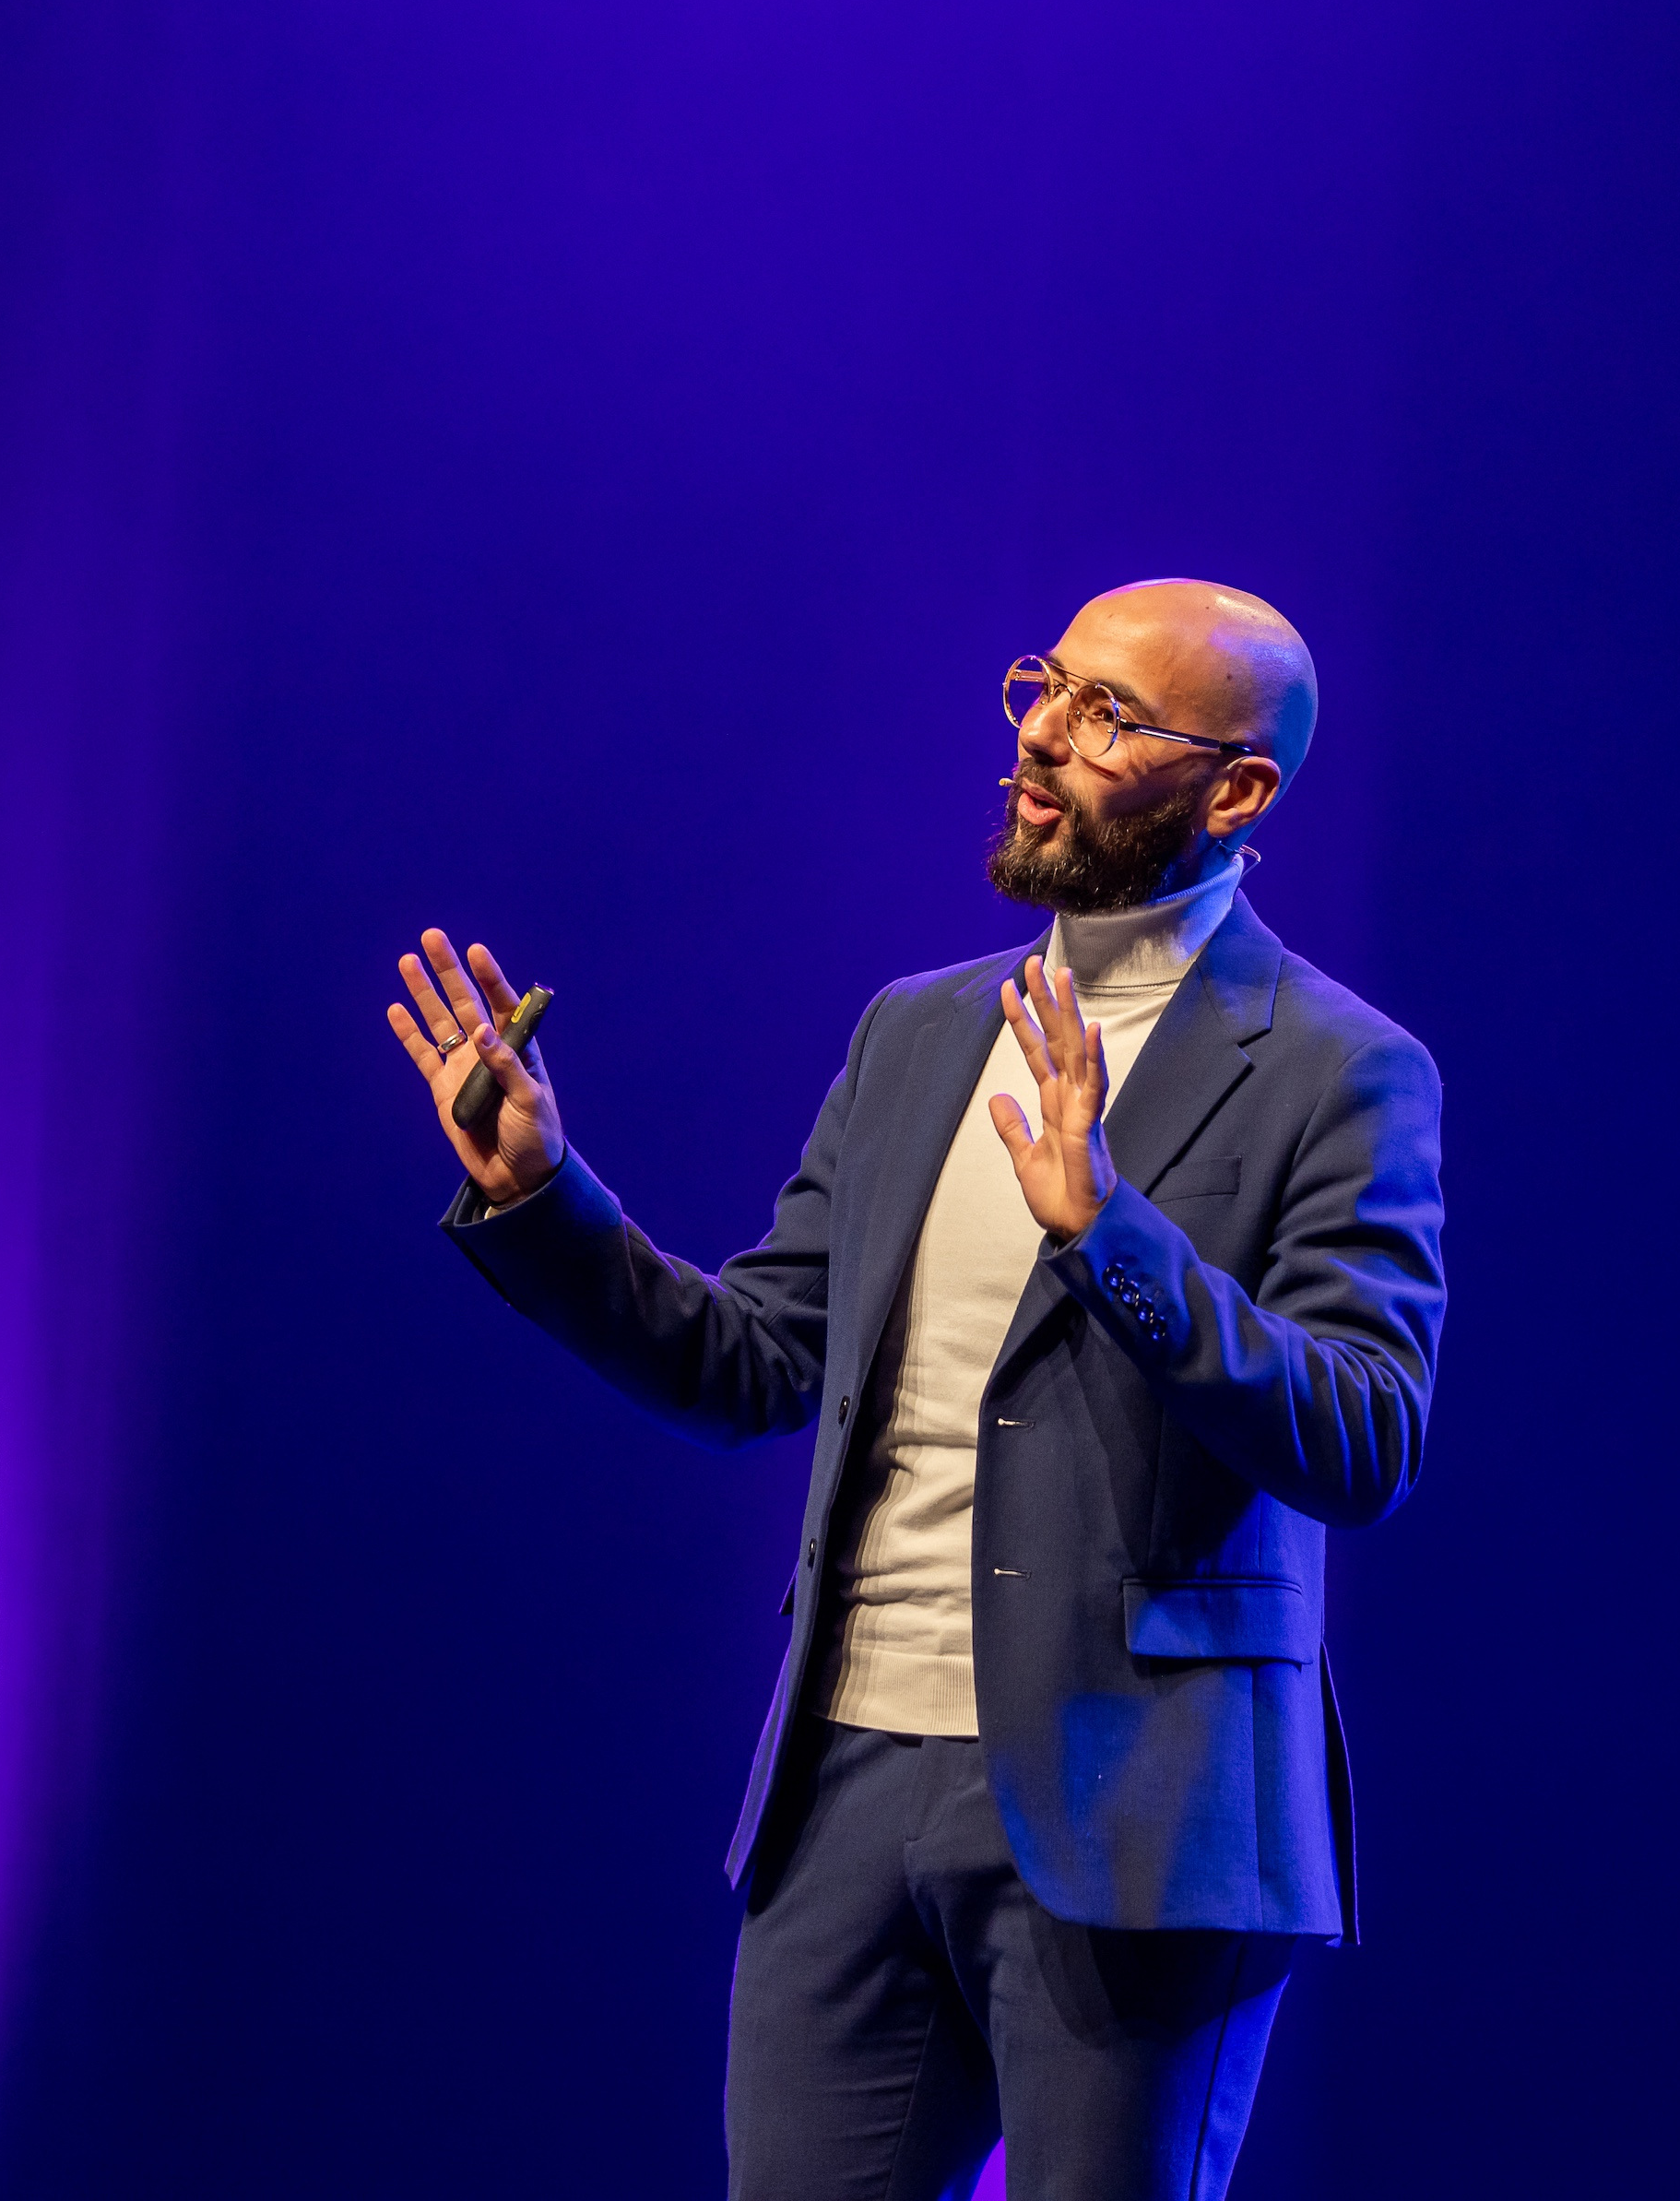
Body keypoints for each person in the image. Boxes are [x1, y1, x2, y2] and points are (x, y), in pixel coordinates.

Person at [390, 579, 1447, 2200]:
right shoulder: (919, 1033)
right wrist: (547, 1198)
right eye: (1046, 686)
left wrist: (1117, 1232)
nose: (1040, 733)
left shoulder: (1336, 1064)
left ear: (1237, 790)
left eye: (1108, 715)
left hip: (1139, 1819)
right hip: (850, 1789)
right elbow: (753, 1363)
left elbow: (1363, 1431)